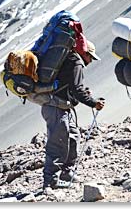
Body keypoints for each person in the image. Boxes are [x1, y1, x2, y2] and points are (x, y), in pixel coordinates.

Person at [41, 40, 105, 189]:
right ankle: (50, 180)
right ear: (84, 53)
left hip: (60, 107)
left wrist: (83, 96)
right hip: (56, 107)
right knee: (58, 142)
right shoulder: (76, 62)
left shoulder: (68, 60)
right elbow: (77, 89)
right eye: (90, 57)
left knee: (73, 136)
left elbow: (70, 89)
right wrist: (93, 102)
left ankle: (66, 172)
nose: (90, 61)